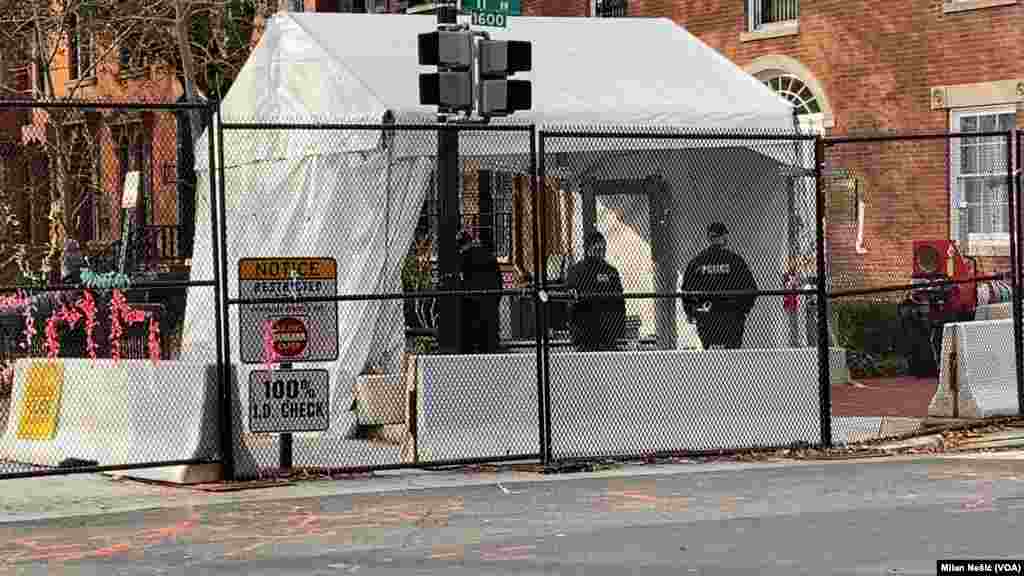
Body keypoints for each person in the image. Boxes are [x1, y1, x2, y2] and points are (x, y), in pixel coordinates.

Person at [681, 222, 758, 350]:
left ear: (708, 238)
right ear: (724, 237)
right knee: (732, 356)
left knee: (710, 357)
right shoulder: (735, 260)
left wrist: (691, 313)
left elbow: (686, 291)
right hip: (731, 316)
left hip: (706, 317)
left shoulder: (697, 262)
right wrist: (742, 311)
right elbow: (751, 289)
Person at [565, 231, 626, 351]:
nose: (601, 252)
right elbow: (570, 297)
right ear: (588, 248)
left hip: (607, 332)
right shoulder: (576, 271)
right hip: (585, 332)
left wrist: (620, 330)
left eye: (603, 248)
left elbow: (619, 302)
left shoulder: (611, 271)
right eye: (598, 248)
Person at [456, 228, 502, 354]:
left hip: (472, 302)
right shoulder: (488, 255)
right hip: (489, 300)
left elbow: (461, 281)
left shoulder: (463, 258)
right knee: (488, 339)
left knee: (470, 339)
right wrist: (495, 299)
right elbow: (498, 280)